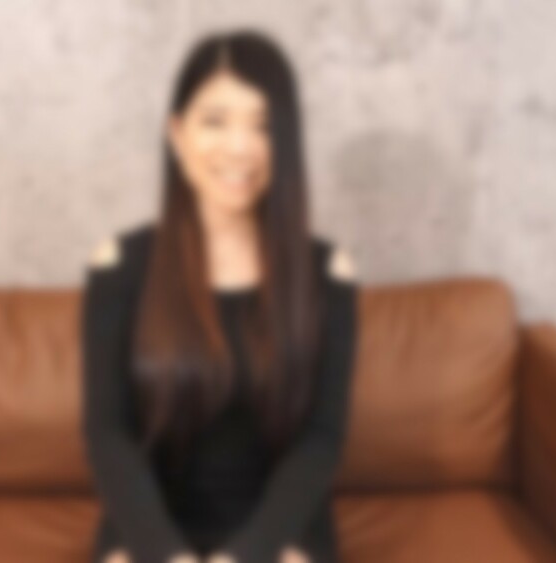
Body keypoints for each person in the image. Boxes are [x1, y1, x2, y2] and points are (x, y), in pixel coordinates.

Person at [81, 28, 359, 563]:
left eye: (262, 125)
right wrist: (168, 555)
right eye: (215, 121)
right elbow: (108, 435)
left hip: (279, 529)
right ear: (177, 133)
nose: (239, 146)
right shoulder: (118, 266)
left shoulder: (329, 274)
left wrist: (245, 556)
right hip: (150, 526)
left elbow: (321, 440)